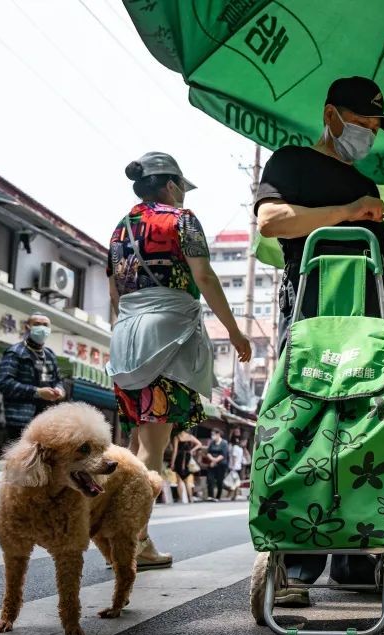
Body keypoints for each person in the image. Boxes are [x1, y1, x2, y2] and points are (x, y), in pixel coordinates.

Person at [254, 76, 384, 606]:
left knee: (365, 426)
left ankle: (359, 555)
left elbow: (381, 261)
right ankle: (297, 563)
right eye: (362, 123)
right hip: (310, 315)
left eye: (375, 127)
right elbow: (271, 222)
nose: (369, 134)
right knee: (304, 424)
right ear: (331, 115)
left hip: (369, 317)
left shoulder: (370, 187)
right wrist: (349, 212)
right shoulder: (289, 163)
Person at [107, 151, 252, 570]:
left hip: (127, 335)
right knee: (152, 452)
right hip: (164, 335)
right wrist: (235, 331)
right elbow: (204, 277)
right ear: (171, 185)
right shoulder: (181, 220)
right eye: (181, 188)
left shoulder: (121, 228)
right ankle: (133, 542)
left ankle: (122, 533)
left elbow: (115, 294)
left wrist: (129, 329)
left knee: (134, 444)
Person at [0, 313, 64, 443]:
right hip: (20, 421)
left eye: (45, 325)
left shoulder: (50, 355)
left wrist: (59, 390)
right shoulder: (15, 352)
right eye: (37, 324)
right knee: (21, 458)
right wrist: (37, 392)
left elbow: (59, 381)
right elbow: (4, 383)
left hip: (45, 423)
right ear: (27, 327)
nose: (42, 328)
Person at [170, 430, 202, 503]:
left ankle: (181, 499)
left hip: (179, 458)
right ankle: (190, 498)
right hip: (187, 457)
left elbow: (175, 451)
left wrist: (172, 463)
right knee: (187, 480)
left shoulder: (177, 437)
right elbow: (199, 444)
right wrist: (192, 450)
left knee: (179, 480)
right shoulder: (190, 436)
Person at [204, 429, 230, 502]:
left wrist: (215, 461)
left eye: (214, 434)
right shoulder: (212, 443)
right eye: (212, 434)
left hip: (221, 464)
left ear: (218, 434)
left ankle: (218, 496)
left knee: (219, 481)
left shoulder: (224, 443)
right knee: (210, 479)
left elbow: (223, 455)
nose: (212, 436)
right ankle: (210, 496)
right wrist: (212, 460)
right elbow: (208, 452)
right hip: (211, 463)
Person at [226, 434, 245, 502]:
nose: (245, 443)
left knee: (236, 483)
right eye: (244, 441)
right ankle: (232, 495)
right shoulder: (235, 447)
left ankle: (233, 495)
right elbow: (234, 457)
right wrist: (233, 467)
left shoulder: (241, 449)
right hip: (234, 467)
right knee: (234, 482)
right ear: (240, 441)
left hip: (238, 467)